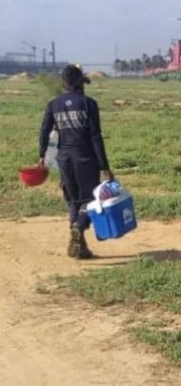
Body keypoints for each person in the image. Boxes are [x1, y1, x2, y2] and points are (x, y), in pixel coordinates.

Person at [37, 65, 114, 259]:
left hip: (64, 159)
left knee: (72, 200)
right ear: (79, 81)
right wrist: (105, 166)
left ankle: (81, 247)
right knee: (90, 199)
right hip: (85, 158)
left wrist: (42, 155)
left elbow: (44, 131)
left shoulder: (53, 104)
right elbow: (96, 136)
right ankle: (78, 227)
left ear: (63, 82)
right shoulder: (89, 103)